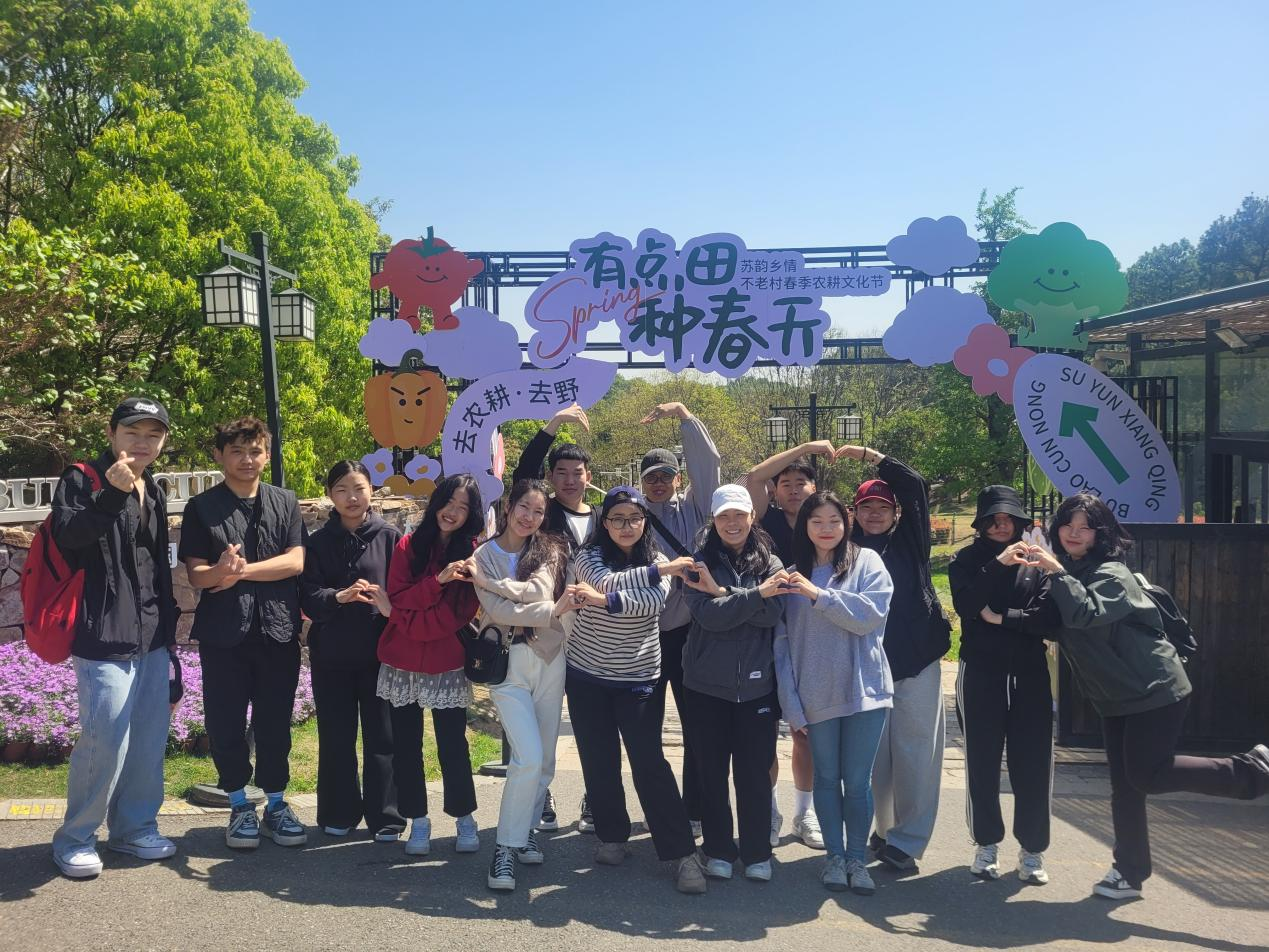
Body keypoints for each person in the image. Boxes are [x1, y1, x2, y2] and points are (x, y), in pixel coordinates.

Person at [1027, 493, 1269, 900]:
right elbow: (1052, 621)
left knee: (1145, 774)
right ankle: (1129, 871)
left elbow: (1087, 613)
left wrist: (1055, 572)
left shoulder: (1111, 573)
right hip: (1115, 695)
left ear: (1101, 534)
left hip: (1153, 688)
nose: (1073, 533)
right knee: (1125, 786)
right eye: (1067, 524)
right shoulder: (1069, 571)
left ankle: (1252, 772)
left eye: (1085, 527)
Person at [48, 397, 180, 878]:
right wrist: (110, 496)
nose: (143, 443)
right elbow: (68, 537)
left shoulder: (154, 486)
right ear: (111, 434)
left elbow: (154, 566)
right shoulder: (82, 479)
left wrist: (169, 634)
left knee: (147, 740)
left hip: (151, 634)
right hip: (103, 632)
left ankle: (133, 828)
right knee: (105, 740)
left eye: (153, 435)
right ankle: (76, 838)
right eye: (132, 432)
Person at [557, 486, 707, 893]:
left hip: (637, 678)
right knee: (598, 759)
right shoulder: (587, 556)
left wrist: (604, 600)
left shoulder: (657, 561)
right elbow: (604, 581)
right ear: (604, 523)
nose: (627, 526)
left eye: (635, 518)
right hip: (586, 675)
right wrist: (660, 572)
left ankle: (682, 853)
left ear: (645, 522)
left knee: (649, 762)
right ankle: (612, 835)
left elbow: (649, 605)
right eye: (618, 518)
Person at [180, 416, 307, 851]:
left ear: (267, 455)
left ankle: (276, 804)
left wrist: (239, 573)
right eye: (237, 451)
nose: (247, 460)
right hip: (224, 634)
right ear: (220, 456)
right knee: (225, 721)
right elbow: (197, 575)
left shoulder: (284, 501)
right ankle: (238, 805)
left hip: (277, 631)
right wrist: (218, 571)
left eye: (255, 451)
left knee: (275, 723)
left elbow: (295, 562)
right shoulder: (201, 507)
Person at [836, 444, 951, 873]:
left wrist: (870, 456)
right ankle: (884, 832)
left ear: (896, 512)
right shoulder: (845, 550)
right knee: (875, 759)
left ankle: (909, 840)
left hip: (916, 659)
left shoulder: (910, 541)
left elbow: (915, 485)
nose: (874, 514)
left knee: (916, 752)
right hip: (868, 666)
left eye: (883, 507)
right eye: (866, 507)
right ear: (854, 512)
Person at [775, 491, 894, 895]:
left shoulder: (867, 562)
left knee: (857, 782)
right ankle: (834, 858)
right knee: (826, 779)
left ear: (847, 523)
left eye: (834, 521)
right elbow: (781, 648)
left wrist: (818, 595)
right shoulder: (790, 578)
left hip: (864, 691)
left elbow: (869, 616)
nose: (826, 529)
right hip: (815, 697)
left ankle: (857, 860)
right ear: (804, 527)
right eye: (816, 521)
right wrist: (792, 705)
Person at [949, 486, 1056, 885]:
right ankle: (986, 843)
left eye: (1008, 518)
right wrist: (997, 565)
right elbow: (966, 606)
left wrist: (1000, 618)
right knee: (982, 759)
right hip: (980, 670)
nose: (1001, 525)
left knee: (1034, 762)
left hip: (1030, 673)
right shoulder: (965, 561)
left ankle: (1032, 850)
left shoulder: (1037, 562)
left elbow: (1048, 621)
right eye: (993, 519)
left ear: (1020, 522)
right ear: (981, 523)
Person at [680, 484, 786, 883]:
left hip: (757, 687)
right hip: (705, 685)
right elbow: (709, 617)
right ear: (713, 519)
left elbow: (773, 614)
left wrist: (724, 593)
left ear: (752, 517)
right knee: (711, 772)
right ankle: (719, 849)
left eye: (739, 514)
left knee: (754, 773)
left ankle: (757, 852)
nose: (732, 522)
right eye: (724, 515)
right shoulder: (697, 564)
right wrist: (755, 596)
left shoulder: (771, 562)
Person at [469, 479, 569, 891]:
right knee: (526, 757)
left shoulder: (548, 549)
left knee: (544, 760)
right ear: (509, 506)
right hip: (506, 665)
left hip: (549, 659)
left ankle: (526, 828)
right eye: (524, 507)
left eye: (538, 511)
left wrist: (490, 583)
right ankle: (504, 850)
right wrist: (544, 610)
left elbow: (539, 592)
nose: (529, 517)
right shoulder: (482, 554)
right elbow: (500, 612)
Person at [377, 474, 484, 857]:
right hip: (402, 662)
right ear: (437, 501)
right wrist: (437, 581)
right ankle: (417, 820)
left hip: (445, 660)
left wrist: (399, 618)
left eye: (462, 507)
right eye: (448, 502)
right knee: (406, 746)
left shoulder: (472, 558)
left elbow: (456, 615)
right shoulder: (408, 545)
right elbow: (398, 594)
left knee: (452, 744)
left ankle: (464, 817)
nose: (452, 512)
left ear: (471, 515)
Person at [299, 461, 404, 841]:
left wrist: (388, 603)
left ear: (371, 491)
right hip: (332, 656)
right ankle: (338, 811)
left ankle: (386, 816)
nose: (352, 497)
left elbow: (405, 592)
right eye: (342, 489)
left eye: (359, 488)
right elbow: (307, 596)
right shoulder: (317, 543)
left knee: (383, 738)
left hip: (381, 655)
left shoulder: (390, 538)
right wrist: (338, 596)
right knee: (336, 738)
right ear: (330, 495)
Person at [510, 402, 600, 831]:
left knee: (592, 720)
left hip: (595, 630)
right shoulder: (543, 515)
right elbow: (523, 474)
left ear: (588, 476)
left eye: (576, 473)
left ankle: (595, 796)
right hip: (547, 625)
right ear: (550, 477)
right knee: (541, 717)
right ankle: (539, 796)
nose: (569, 480)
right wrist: (554, 424)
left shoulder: (604, 517)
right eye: (560, 473)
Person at [745, 441, 836, 849]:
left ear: (815, 489)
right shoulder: (765, 522)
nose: (795, 489)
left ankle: (805, 812)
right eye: (786, 483)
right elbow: (753, 477)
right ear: (775, 491)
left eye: (802, 482)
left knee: (805, 732)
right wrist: (808, 446)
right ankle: (769, 811)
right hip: (765, 635)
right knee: (764, 733)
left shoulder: (825, 526)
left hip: (811, 640)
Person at [639, 401, 722, 839]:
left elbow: (709, 465)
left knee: (697, 728)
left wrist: (686, 418)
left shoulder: (695, 509)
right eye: (650, 477)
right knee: (645, 730)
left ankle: (695, 809)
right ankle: (659, 811)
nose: (658, 483)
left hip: (692, 634)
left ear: (678, 478)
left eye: (665, 476)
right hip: (646, 636)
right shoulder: (631, 517)